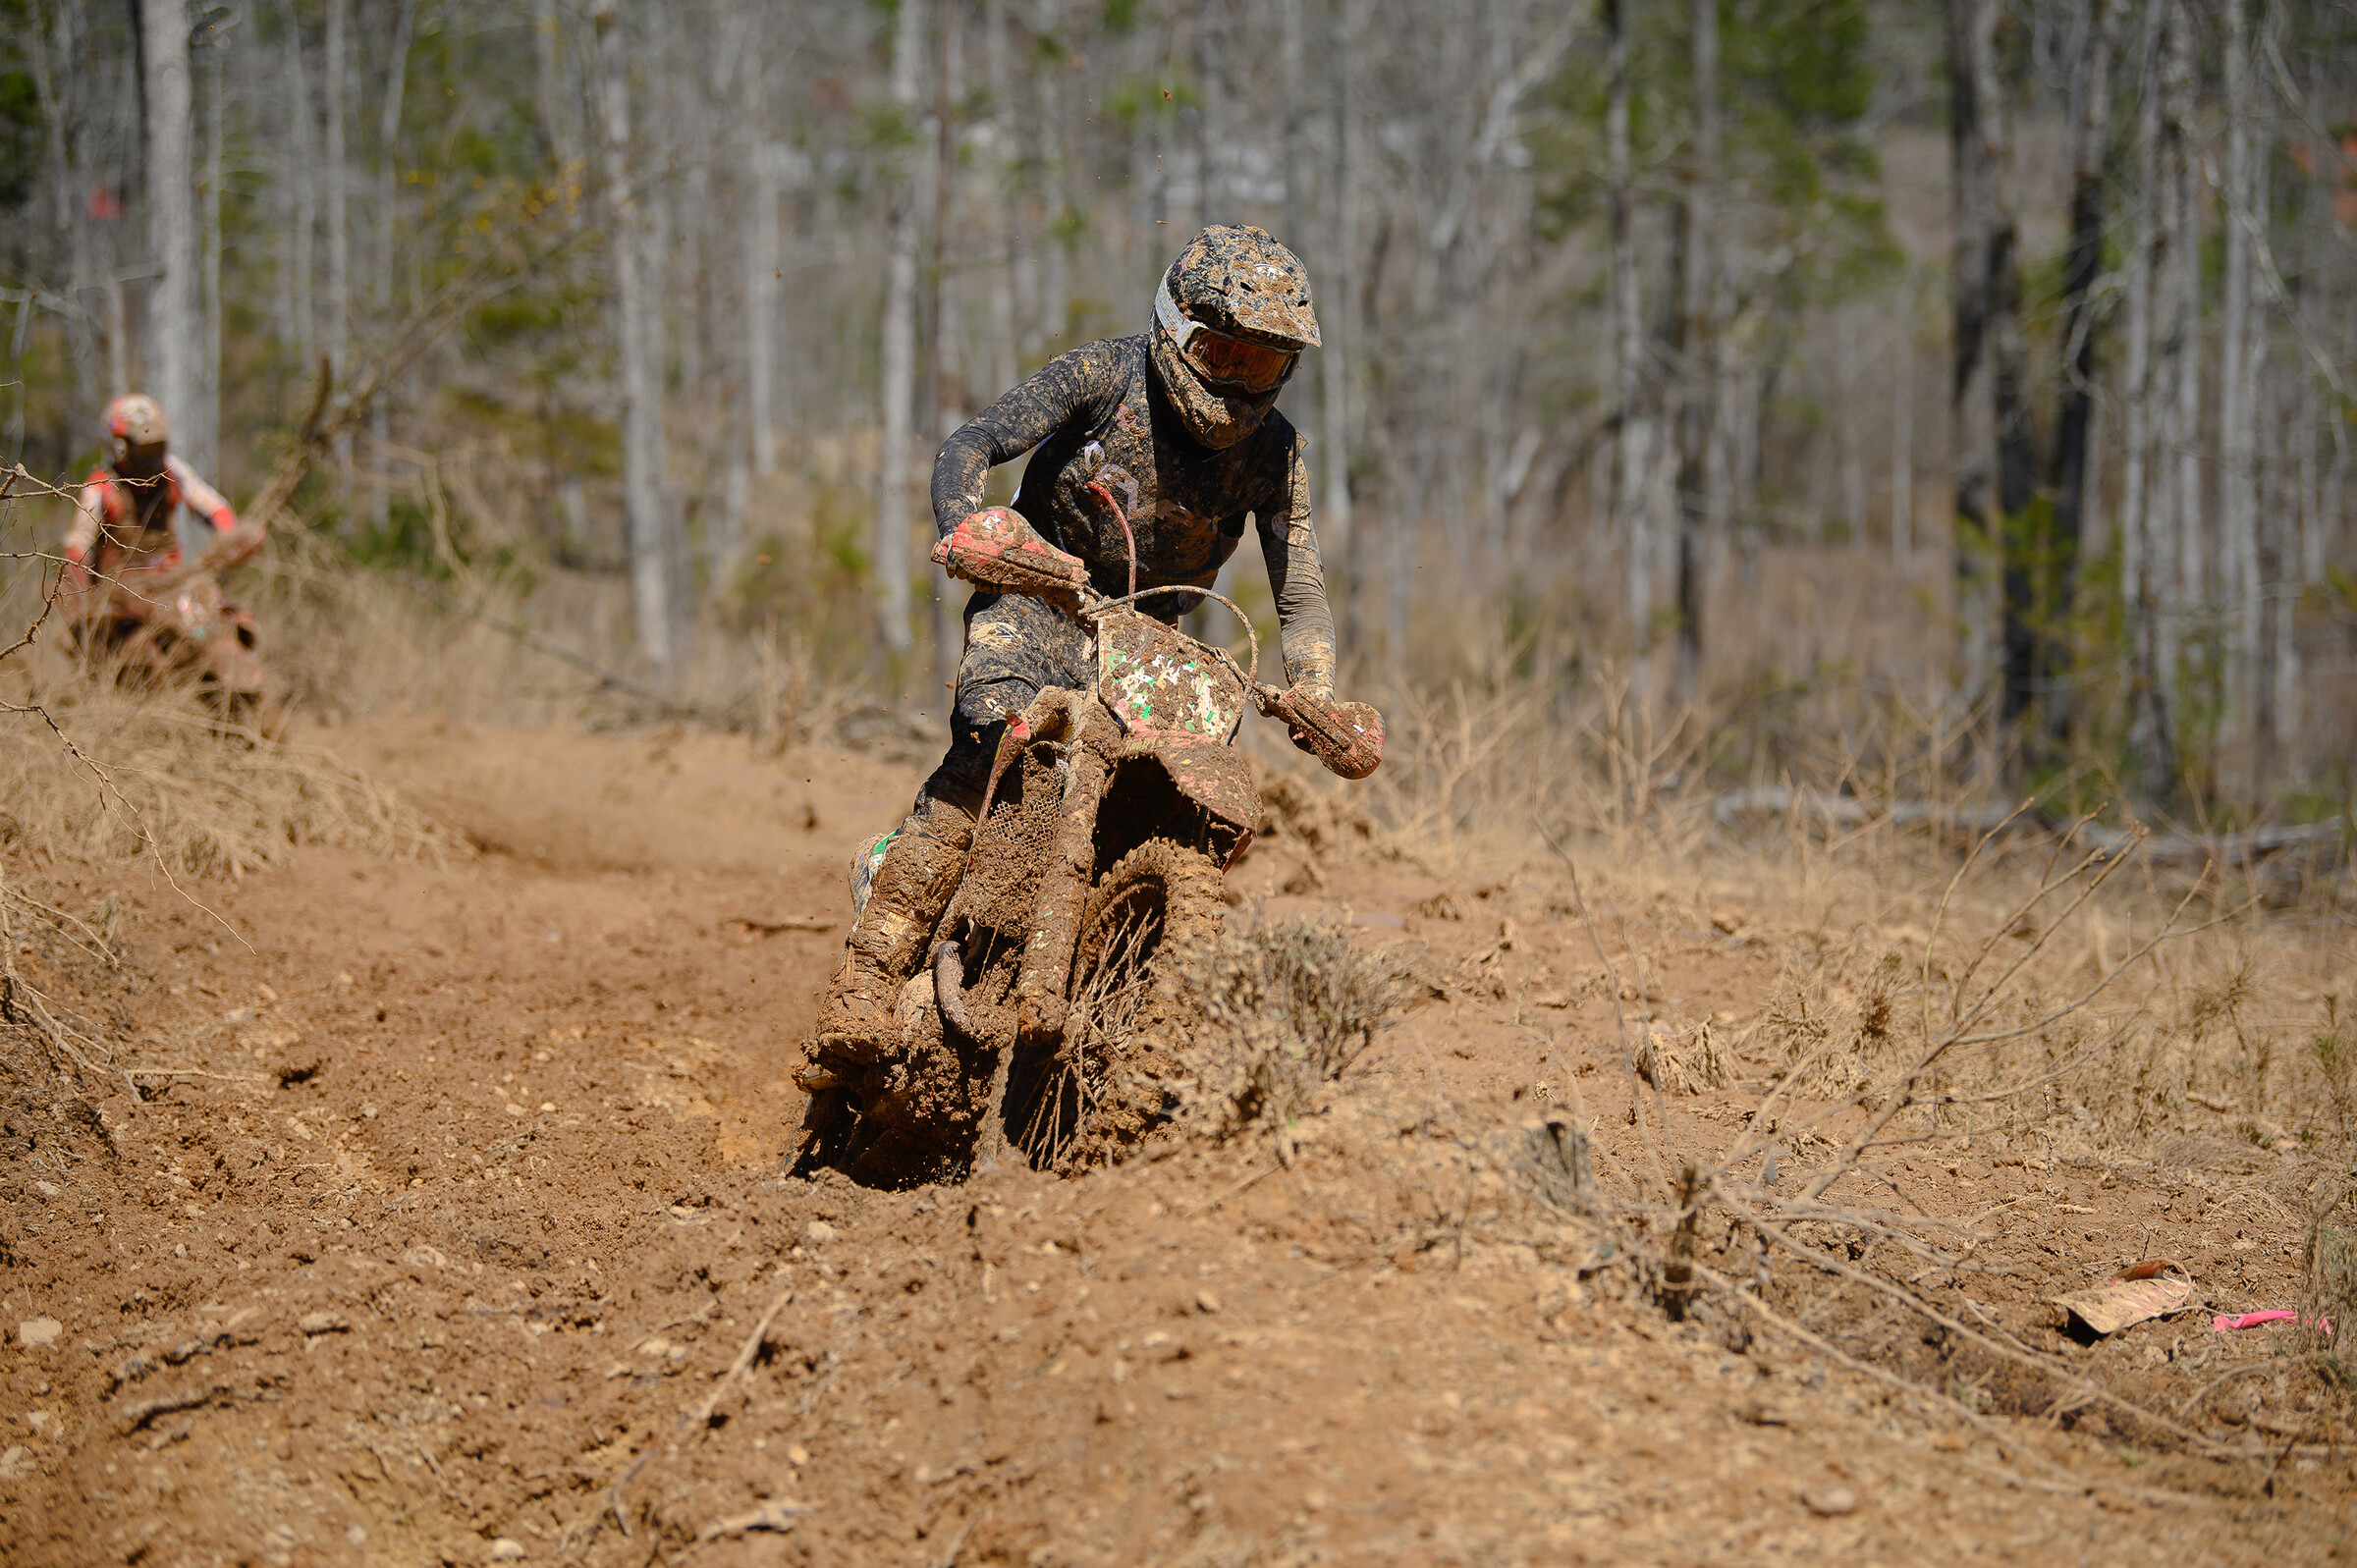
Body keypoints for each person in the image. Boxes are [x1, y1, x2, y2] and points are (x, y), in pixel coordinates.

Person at [806, 223, 1348, 1075]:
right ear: (1175, 330)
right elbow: (970, 445)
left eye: (1264, 364)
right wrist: (969, 529)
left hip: (1156, 640)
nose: (1240, 381)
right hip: (1039, 594)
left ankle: (1123, 1012)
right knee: (987, 750)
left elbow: (1301, 588)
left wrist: (1313, 685)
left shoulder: (1277, 453)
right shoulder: (1102, 374)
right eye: (1223, 353)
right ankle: (865, 986)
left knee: (1182, 814)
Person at [61, 393, 248, 601]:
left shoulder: (173, 472)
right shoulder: (101, 487)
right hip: (121, 593)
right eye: (141, 450)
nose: (150, 460)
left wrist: (228, 542)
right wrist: (85, 597)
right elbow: (77, 546)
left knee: (225, 613)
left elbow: (216, 509)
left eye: (155, 448)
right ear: (118, 447)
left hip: (174, 582)